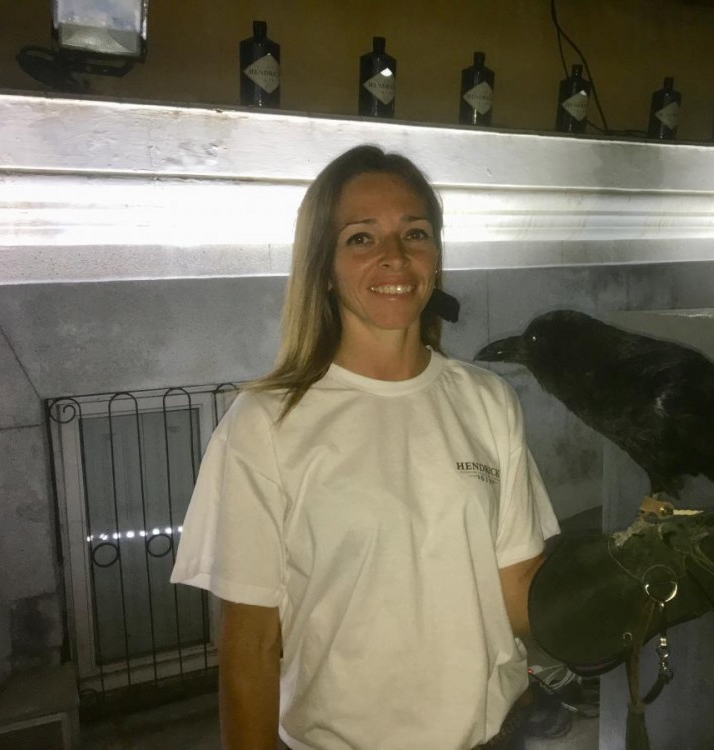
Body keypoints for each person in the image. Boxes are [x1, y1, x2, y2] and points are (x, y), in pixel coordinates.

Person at [170, 144, 560, 750]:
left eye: (415, 233)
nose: (395, 256)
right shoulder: (266, 423)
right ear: (323, 265)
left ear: (436, 256)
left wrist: (627, 586)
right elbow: (251, 645)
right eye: (361, 238)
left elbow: (517, 592)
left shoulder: (488, 401)